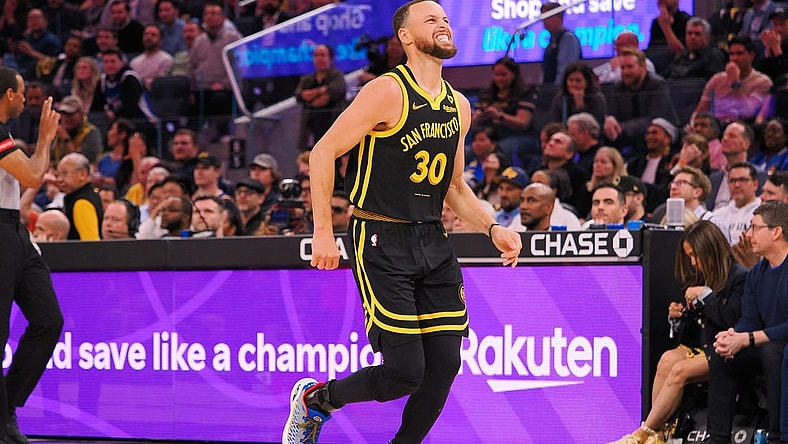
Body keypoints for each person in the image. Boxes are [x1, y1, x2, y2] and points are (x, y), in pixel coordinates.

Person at [282, 2, 523, 443]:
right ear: (406, 37)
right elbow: (323, 152)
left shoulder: (459, 105)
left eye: (446, 19)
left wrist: (492, 227)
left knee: (445, 364)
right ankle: (316, 401)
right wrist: (323, 231)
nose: (444, 25)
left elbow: (454, 186)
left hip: (432, 236)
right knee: (405, 372)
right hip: (380, 234)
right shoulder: (386, 91)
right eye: (431, 20)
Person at [608, 220, 747, 444]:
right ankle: (658, 434)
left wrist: (706, 296)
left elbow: (731, 318)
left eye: (695, 255)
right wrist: (678, 317)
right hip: (700, 346)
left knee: (679, 371)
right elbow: (691, 330)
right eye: (689, 256)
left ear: (710, 248)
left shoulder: (739, 277)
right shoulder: (699, 277)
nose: (693, 262)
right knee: (667, 360)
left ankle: (642, 433)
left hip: (726, 350)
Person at [0, 66, 64, 444]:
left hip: (15, 230)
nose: (26, 100)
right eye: (22, 92)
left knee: (48, 320)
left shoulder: (5, 133)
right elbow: (32, 177)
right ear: (8, 94)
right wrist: (44, 139)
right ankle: (3, 420)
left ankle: (7, 404)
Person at [709, 201, 788, 444]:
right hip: (765, 342)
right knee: (723, 355)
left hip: (780, 345)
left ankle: (778, 436)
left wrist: (749, 338)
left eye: (755, 228)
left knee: (773, 352)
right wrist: (733, 336)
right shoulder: (756, 273)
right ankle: (717, 437)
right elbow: (749, 320)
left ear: (776, 232)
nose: (748, 235)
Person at [471, 56, 538, 167]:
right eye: (496, 75)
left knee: (501, 149)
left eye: (503, 75)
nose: (499, 79)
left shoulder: (525, 94)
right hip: (490, 137)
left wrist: (499, 116)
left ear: (514, 74)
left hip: (519, 136)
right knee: (468, 151)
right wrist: (477, 118)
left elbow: (523, 123)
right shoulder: (486, 95)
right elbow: (475, 126)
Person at [691, 36, 772, 125]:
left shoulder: (763, 82)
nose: (734, 58)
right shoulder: (716, 79)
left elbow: (748, 112)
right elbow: (699, 111)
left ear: (751, 55)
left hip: (742, 127)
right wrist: (692, 125)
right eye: (731, 54)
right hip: (716, 127)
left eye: (739, 54)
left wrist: (735, 83)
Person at [295, 44, 347, 150]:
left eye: (322, 55)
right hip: (311, 130)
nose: (319, 59)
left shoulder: (337, 76)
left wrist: (311, 97)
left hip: (332, 129)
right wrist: (321, 91)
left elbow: (328, 97)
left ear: (330, 58)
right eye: (316, 55)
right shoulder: (307, 79)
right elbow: (300, 95)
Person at [661, 17, 727, 81]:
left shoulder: (714, 57)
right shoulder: (680, 56)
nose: (692, 37)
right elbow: (664, 77)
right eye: (689, 33)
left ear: (707, 37)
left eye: (697, 34)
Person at [56, 152, 103, 240]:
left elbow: (91, 242)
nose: (59, 179)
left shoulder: (82, 203)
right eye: (58, 175)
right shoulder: (86, 196)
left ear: (83, 174)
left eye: (64, 173)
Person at [550, 62, 607, 126]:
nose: (574, 84)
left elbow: (595, 126)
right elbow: (557, 124)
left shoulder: (597, 99)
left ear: (587, 82)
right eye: (570, 80)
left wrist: (579, 105)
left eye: (578, 80)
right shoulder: (559, 98)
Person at [540, 2, 582, 85]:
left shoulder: (568, 39)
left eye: (548, 17)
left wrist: (557, 90)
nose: (544, 21)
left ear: (558, 18)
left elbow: (565, 71)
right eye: (543, 18)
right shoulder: (550, 43)